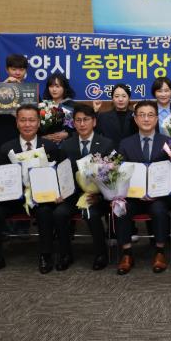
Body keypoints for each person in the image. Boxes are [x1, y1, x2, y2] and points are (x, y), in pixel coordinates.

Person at [0, 104, 63, 276]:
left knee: (46, 212)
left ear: (38, 123)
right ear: (17, 123)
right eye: (23, 120)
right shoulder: (6, 148)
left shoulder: (50, 147)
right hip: (12, 198)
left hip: (41, 198)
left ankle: (45, 255)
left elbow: (58, 175)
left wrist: (59, 193)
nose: (27, 124)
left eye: (31, 120)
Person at [52, 104, 115, 271]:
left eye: (86, 119)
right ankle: (65, 254)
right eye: (78, 120)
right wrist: (61, 193)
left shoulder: (106, 144)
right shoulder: (66, 145)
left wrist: (99, 196)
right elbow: (62, 173)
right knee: (59, 213)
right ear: (73, 123)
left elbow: (112, 176)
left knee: (91, 214)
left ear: (94, 122)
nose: (82, 124)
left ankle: (101, 254)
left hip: (98, 197)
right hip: (72, 196)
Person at [115, 100, 171, 275]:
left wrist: (159, 192)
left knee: (159, 210)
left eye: (150, 115)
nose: (146, 119)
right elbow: (120, 173)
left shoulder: (168, 142)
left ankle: (160, 251)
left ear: (156, 119)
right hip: (133, 196)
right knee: (121, 209)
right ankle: (126, 253)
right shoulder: (125, 143)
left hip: (159, 196)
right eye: (142, 115)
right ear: (135, 119)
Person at [40, 72, 76, 145]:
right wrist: (44, 137)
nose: (54, 89)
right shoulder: (43, 105)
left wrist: (67, 134)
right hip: (45, 144)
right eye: (51, 86)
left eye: (57, 86)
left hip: (66, 145)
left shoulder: (71, 105)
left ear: (64, 88)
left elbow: (78, 128)